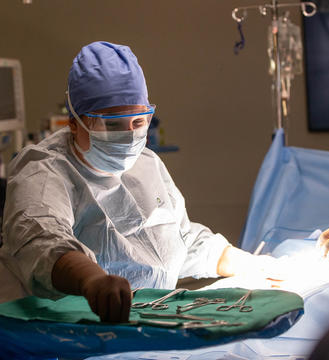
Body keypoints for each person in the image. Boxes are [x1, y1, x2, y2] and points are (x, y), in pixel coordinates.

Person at [0, 41, 275, 323]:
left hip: (142, 328)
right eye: (113, 124)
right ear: (74, 123)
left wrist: (246, 263)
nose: (129, 137)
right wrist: (92, 281)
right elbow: (41, 242)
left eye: (138, 121)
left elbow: (180, 239)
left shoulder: (146, 163)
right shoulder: (43, 170)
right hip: (53, 334)